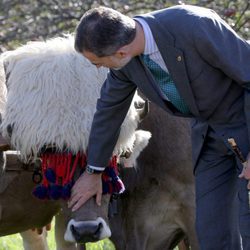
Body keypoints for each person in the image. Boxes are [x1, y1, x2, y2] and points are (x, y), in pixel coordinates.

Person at [68, 4, 250, 249]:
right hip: (209, 138)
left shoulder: (195, 25)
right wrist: (93, 171)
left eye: (98, 62)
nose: (99, 68)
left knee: (247, 222)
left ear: (120, 52)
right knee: (211, 232)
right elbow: (108, 112)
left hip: (244, 124)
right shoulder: (126, 63)